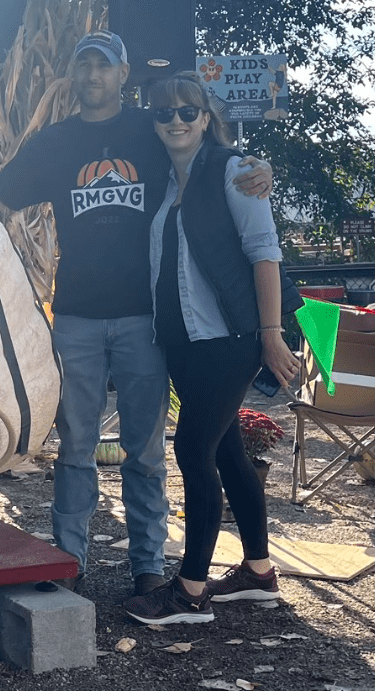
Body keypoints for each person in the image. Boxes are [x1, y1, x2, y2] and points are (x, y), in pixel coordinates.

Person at [0, 32, 272, 597]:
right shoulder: (55, 143)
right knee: (76, 446)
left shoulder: (151, 127)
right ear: (73, 74)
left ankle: (147, 565)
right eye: (83, 65)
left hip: (146, 319)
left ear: (122, 73)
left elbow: (206, 153)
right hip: (77, 316)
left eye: (103, 67)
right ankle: (68, 559)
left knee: (146, 450)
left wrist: (258, 167)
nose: (93, 76)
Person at [122, 71, 301, 625]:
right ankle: (258, 573)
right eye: (163, 111)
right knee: (227, 453)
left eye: (187, 110)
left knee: (191, 452)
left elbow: (264, 253)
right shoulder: (163, 180)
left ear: (206, 117)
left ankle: (191, 593)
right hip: (185, 341)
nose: (174, 119)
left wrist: (271, 336)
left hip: (232, 338)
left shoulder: (236, 171)